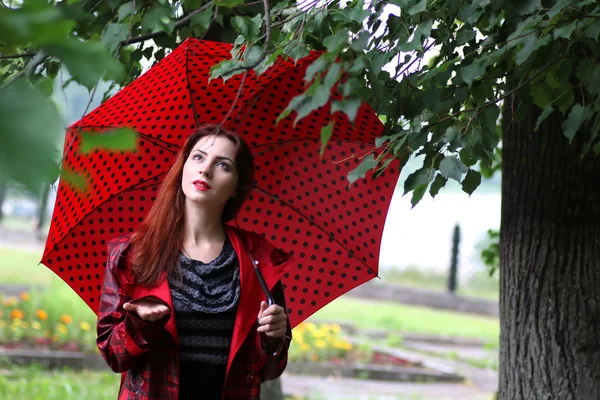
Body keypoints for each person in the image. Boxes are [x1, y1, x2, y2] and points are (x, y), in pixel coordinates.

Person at [96, 126, 294, 400]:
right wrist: (139, 325)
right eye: (198, 158)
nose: (206, 170)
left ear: (237, 185)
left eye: (223, 164)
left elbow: (269, 370)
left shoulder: (258, 257)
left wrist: (273, 338)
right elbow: (113, 355)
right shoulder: (133, 254)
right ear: (183, 168)